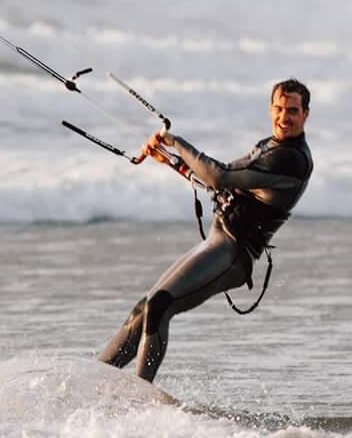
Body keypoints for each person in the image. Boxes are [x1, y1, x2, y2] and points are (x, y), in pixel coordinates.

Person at [99, 78, 314, 383]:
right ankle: (96, 378)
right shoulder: (268, 145)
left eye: (292, 110)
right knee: (145, 309)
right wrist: (172, 162)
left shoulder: (291, 158)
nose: (284, 117)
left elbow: (219, 176)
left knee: (160, 305)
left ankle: (140, 395)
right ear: (270, 109)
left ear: (305, 113)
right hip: (217, 240)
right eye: (279, 108)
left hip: (232, 253)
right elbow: (222, 178)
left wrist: (175, 142)